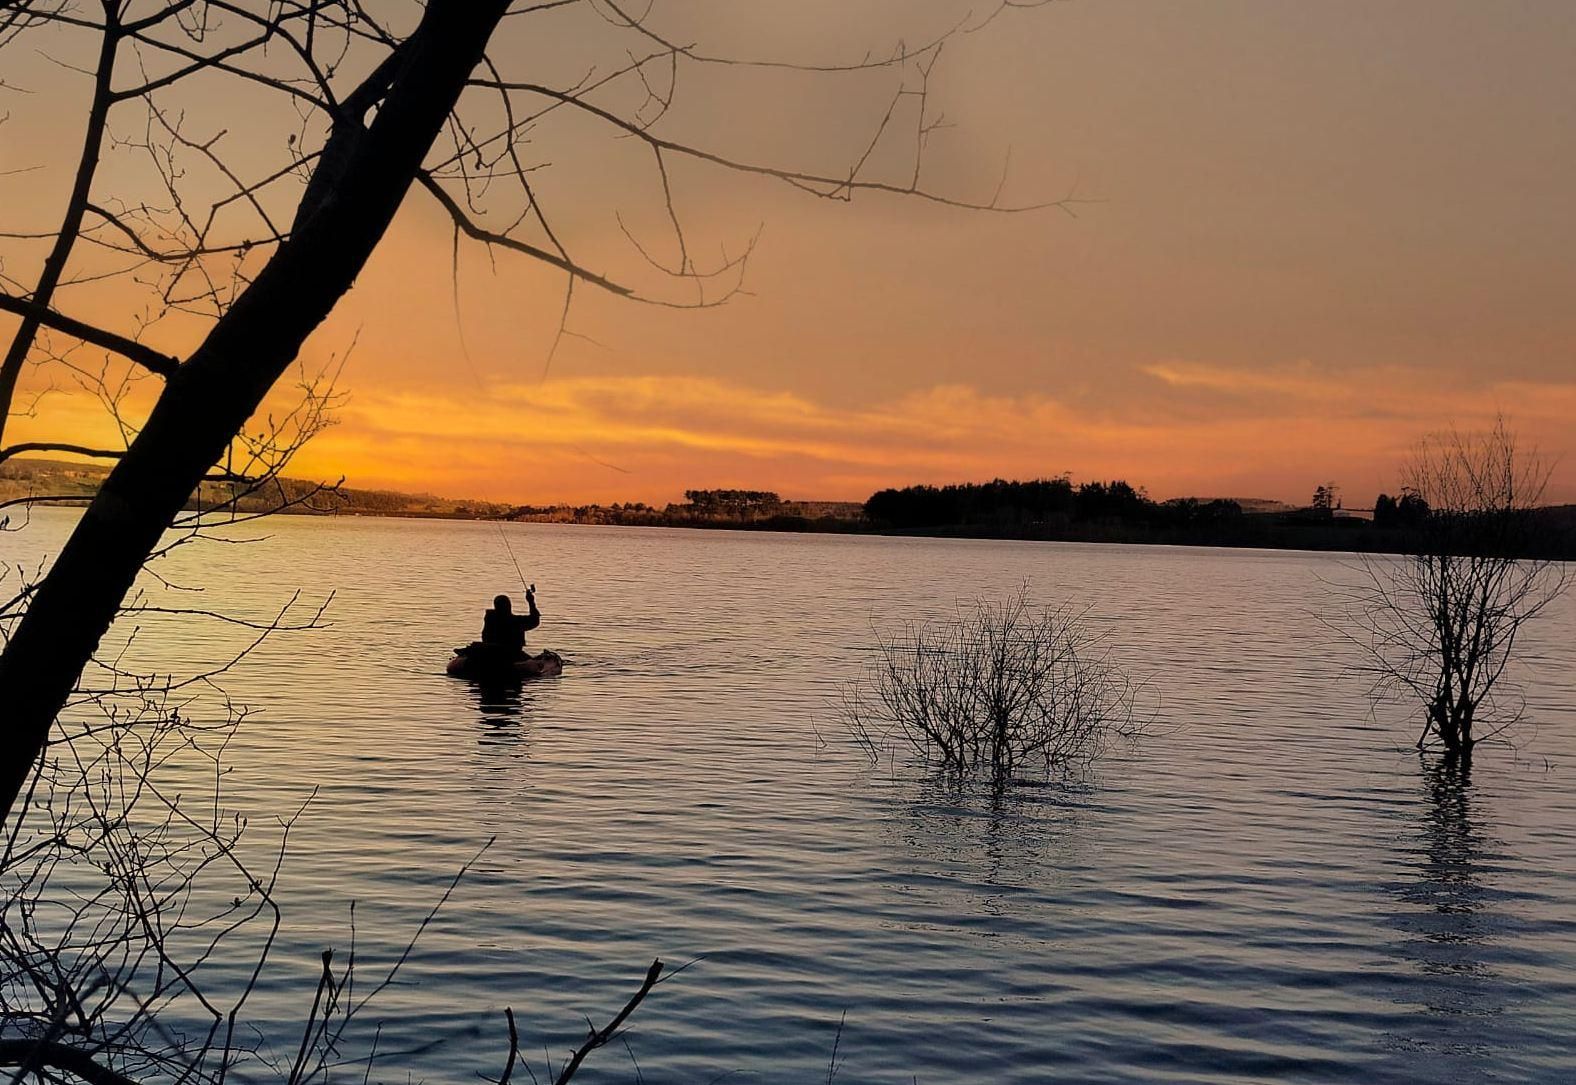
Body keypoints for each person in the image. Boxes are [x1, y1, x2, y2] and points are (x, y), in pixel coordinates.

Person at [481, 586, 540, 658]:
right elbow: (535, 620)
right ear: (509, 606)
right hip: (512, 655)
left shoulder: (489, 619)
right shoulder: (515, 622)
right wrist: (531, 602)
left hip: (491, 653)